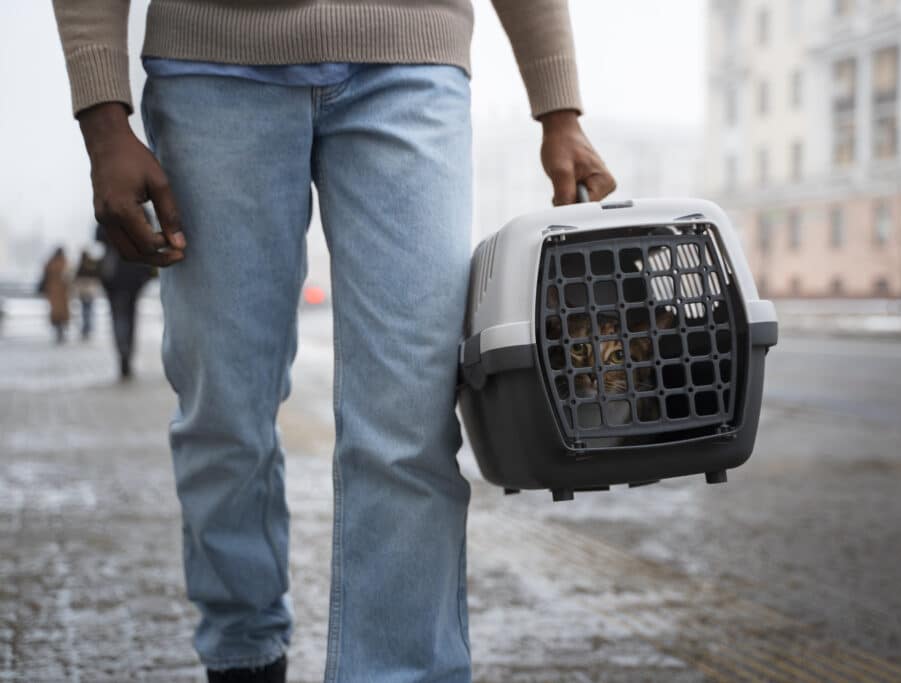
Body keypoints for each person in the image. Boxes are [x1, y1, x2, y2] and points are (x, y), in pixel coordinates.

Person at [53, 2, 616, 681]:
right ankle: (244, 654)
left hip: (411, 54)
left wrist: (560, 109)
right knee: (223, 410)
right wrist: (102, 117)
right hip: (211, 65)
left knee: (409, 421)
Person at [96, 223, 154, 379]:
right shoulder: (141, 212)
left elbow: (99, 237)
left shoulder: (109, 209)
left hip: (116, 278)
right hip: (133, 275)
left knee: (120, 318)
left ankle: (124, 354)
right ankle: (126, 354)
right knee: (129, 318)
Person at [40, 247, 70, 344]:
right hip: (62, 291)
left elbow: (44, 274)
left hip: (52, 290)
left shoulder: (50, 262)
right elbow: (69, 276)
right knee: (62, 312)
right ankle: (61, 331)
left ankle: (58, 331)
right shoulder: (65, 263)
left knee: (55, 312)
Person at [73, 247, 103, 341]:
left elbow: (76, 277)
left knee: (85, 310)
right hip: (90, 290)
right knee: (89, 309)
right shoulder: (91, 264)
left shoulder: (81, 265)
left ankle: (86, 328)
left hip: (83, 290)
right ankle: (88, 327)